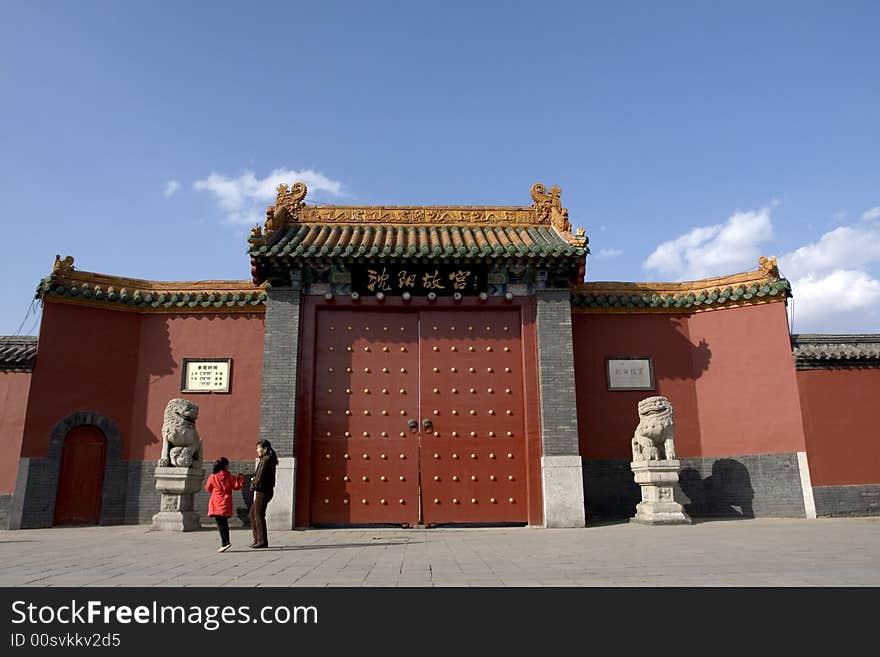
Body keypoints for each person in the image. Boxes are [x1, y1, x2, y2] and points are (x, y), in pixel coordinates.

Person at [205, 457, 245, 553]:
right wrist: (240, 476)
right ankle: (225, 542)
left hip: (216, 502)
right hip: (226, 501)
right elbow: (237, 486)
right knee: (224, 523)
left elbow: (208, 488)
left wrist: (215, 492)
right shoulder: (229, 476)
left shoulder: (213, 476)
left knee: (220, 524)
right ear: (225, 466)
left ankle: (225, 542)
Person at [249, 439, 278, 549]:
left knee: (258, 515)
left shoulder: (266, 459)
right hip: (264, 491)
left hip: (263, 491)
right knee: (252, 514)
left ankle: (262, 541)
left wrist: (253, 485)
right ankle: (257, 539)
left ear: (265, 449)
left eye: (259, 448)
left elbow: (259, 476)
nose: (257, 450)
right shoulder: (266, 459)